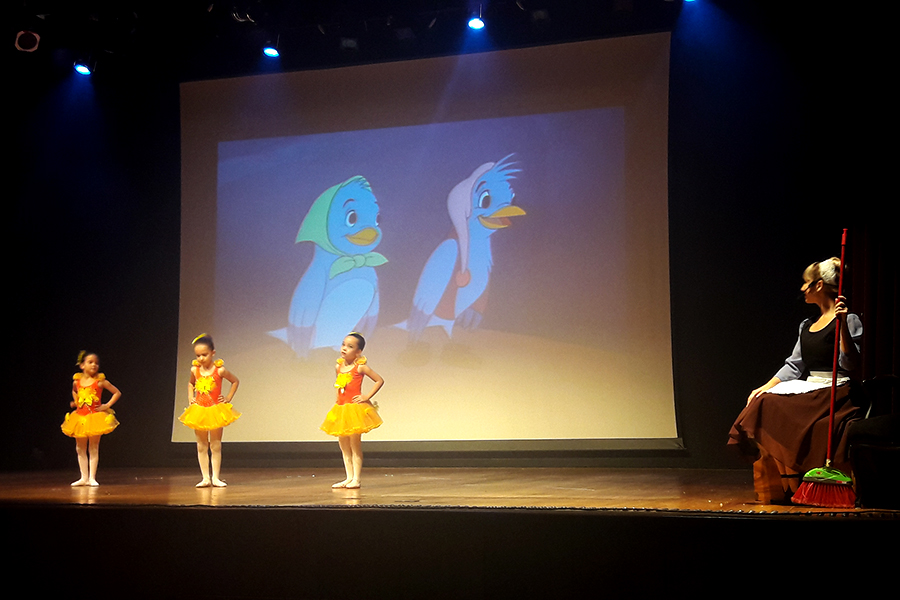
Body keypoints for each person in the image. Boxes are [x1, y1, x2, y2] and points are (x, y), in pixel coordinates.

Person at [729, 257, 863, 503]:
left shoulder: (849, 319)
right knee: (763, 401)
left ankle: (793, 483)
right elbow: (794, 365)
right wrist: (764, 387)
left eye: (806, 283)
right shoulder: (807, 325)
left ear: (819, 285)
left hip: (835, 391)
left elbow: (850, 364)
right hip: (811, 387)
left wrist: (843, 325)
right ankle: (788, 481)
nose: (802, 288)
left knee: (775, 408)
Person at [320, 332, 384, 489]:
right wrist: (338, 402)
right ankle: (348, 477)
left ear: (358, 351)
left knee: (355, 445)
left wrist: (366, 396)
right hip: (341, 408)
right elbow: (339, 387)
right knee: (343, 446)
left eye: (350, 346)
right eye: (343, 344)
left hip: (354, 409)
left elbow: (379, 380)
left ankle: (357, 478)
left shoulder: (360, 367)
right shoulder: (338, 367)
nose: (344, 348)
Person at [179, 334, 240, 487]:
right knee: (201, 445)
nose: (201, 358)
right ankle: (205, 478)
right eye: (198, 355)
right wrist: (190, 397)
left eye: (204, 355)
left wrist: (228, 397)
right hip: (199, 410)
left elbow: (235, 381)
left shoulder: (220, 370)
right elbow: (191, 384)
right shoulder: (195, 370)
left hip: (215, 410)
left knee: (215, 445)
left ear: (213, 353)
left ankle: (216, 478)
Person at [61, 351, 122, 486]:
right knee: (80, 448)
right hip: (79, 417)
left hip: (95, 417)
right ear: (82, 365)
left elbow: (117, 392)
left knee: (93, 447)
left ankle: (92, 478)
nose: (94, 365)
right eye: (90, 362)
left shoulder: (100, 382)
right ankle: (83, 477)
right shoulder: (77, 382)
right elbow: (74, 391)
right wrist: (76, 401)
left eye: (96, 363)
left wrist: (107, 405)